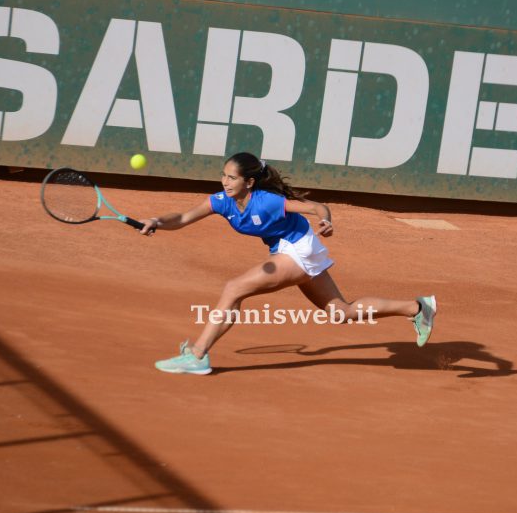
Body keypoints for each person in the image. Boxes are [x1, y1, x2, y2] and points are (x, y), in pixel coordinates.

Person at [139, 152, 437, 375]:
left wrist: (326, 220)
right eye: (224, 175)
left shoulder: (266, 201)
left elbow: (316, 207)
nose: (225, 182)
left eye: (232, 177)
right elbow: (181, 218)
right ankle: (418, 308)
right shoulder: (222, 201)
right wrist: (157, 221)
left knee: (234, 289)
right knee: (340, 313)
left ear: (249, 182)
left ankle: (198, 354)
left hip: (299, 248)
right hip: (286, 249)